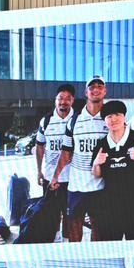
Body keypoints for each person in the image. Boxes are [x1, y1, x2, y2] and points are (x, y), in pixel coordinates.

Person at [90, 100, 134, 240]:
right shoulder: (101, 144)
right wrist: (96, 164)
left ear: (124, 117)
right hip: (110, 207)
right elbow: (96, 174)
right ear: (105, 120)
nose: (114, 119)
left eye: (117, 114)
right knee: (111, 249)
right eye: (109, 116)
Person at [50, 76, 109, 243]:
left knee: (99, 228)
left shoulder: (110, 118)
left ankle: (95, 261)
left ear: (105, 91)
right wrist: (55, 176)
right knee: (74, 228)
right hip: (76, 186)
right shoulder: (75, 120)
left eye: (100, 86)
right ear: (86, 92)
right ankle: (76, 262)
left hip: (101, 186)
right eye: (92, 86)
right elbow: (66, 152)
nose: (95, 89)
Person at [34, 84, 77, 239]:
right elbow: (39, 147)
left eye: (67, 98)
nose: (63, 102)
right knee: (50, 215)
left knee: (69, 216)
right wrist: (39, 170)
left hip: (71, 179)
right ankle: (53, 241)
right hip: (49, 178)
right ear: (55, 100)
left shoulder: (77, 120)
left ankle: (66, 244)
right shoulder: (45, 121)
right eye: (60, 98)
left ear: (72, 100)